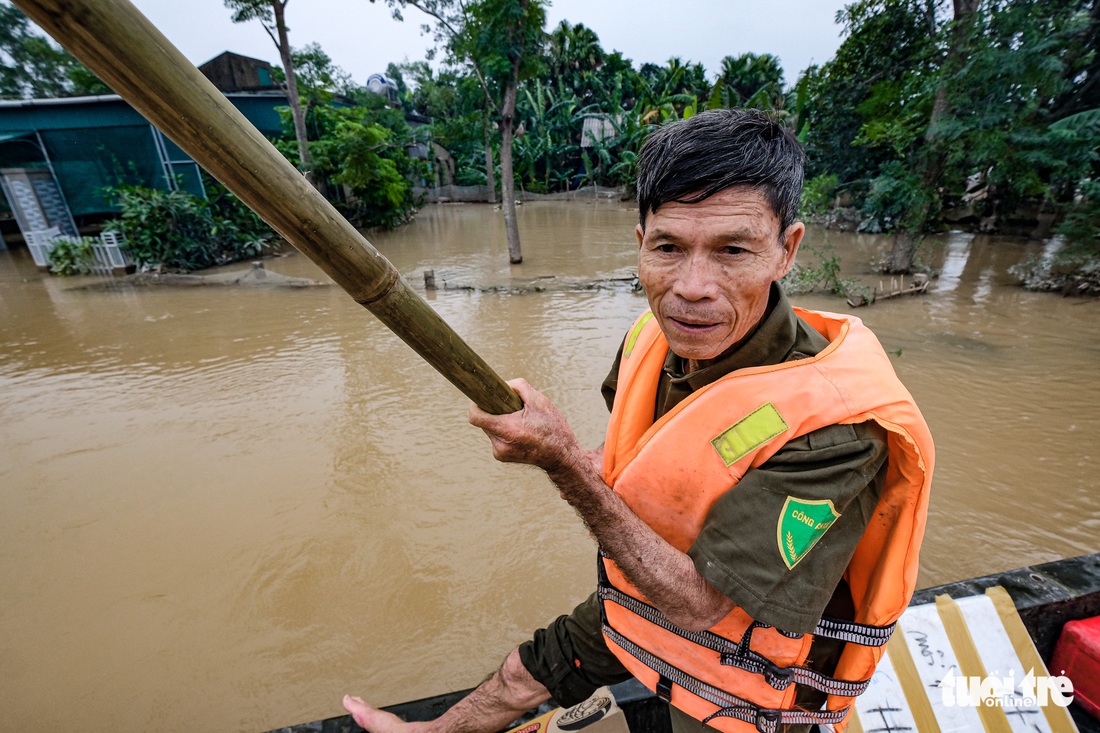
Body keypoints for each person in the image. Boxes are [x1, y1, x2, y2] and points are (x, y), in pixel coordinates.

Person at [343, 108, 934, 733]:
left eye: (733, 250)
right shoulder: (646, 343)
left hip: (748, 683)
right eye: (669, 248)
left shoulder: (837, 423)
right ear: (640, 244)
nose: (691, 288)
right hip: (643, 602)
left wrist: (561, 459)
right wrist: (566, 452)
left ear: (787, 250)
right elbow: (637, 470)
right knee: (522, 676)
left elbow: (700, 604)